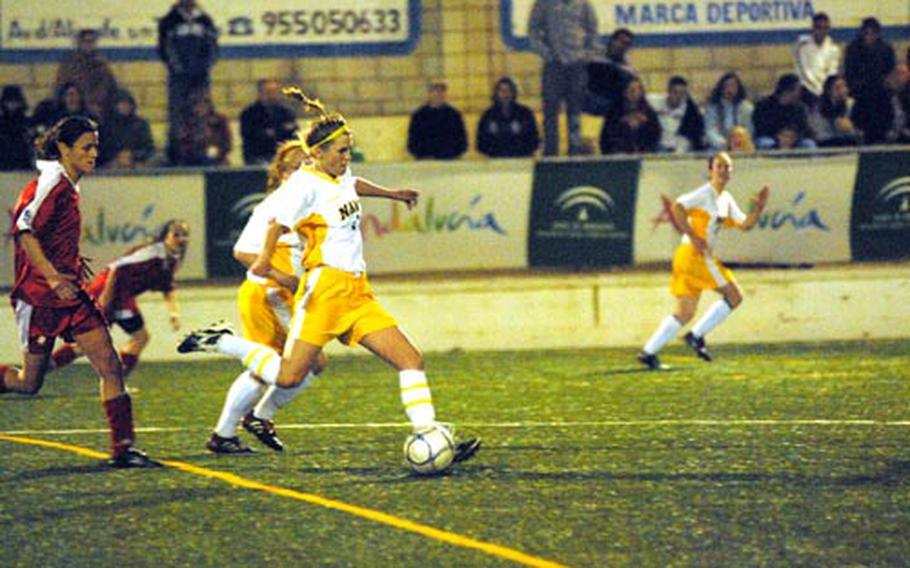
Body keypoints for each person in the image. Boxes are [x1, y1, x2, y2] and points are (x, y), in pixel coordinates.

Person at [179, 88, 481, 466]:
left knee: (410, 359)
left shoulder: (339, 173)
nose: (346, 157)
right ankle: (224, 341)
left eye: (348, 149)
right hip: (324, 291)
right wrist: (262, 264)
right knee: (289, 376)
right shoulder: (302, 185)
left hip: (357, 291)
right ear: (317, 153)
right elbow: (277, 222)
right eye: (340, 151)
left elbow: (352, 185)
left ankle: (429, 434)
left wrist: (393, 194)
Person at [0, 116, 158, 467]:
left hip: (72, 296)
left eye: (96, 146)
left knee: (110, 364)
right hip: (40, 297)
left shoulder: (69, 183)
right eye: (86, 147)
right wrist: (53, 276)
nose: (94, 153)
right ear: (63, 149)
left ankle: (123, 448)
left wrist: (66, 272)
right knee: (29, 383)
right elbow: (23, 231)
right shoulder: (50, 182)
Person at [206, 139, 323, 453]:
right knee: (304, 363)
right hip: (269, 295)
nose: (303, 169)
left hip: (283, 296)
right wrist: (281, 276)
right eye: (295, 165)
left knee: (296, 365)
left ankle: (231, 431)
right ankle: (222, 345)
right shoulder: (276, 204)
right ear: (282, 173)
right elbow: (242, 252)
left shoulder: (306, 203)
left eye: (307, 163)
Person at [638, 152, 770, 370]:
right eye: (719, 166)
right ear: (711, 170)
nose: (724, 170)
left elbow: (745, 224)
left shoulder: (725, 199)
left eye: (728, 167)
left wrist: (758, 208)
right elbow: (677, 207)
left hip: (688, 256)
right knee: (734, 296)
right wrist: (693, 235)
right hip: (694, 255)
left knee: (685, 312)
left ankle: (648, 352)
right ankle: (696, 336)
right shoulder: (705, 193)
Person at [47, 220, 190, 379]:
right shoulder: (151, 252)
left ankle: (42, 368)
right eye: (176, 234)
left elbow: (167, 287)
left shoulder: (170, 258)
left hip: (121, 297)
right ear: (164, 236)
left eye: (184, 235)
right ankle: (116, 381)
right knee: (137, 337)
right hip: (111, 293)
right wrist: (105, 299)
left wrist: (174, 313)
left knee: (89, 345)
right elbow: (116, 267)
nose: (181, 238)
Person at [528, 0, 600, 156]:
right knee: (550, 111)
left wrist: (586, 54)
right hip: (554, 65)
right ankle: (550, 152)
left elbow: (593, 31)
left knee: (575, 111)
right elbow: (533, 31)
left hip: (577, 66)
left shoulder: (584, 4)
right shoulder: (544, 4)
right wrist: (547, 54)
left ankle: (574, 151)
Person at [158, 0, 219, 164]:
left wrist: (203, 69)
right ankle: (176, 154)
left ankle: (204, 151)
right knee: (177, 114)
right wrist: (180, 70)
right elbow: (165, 49)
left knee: (202, 112)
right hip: (179, 78)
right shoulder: (169, 21)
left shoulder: (205, 20)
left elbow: (213, 48)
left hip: (201, 77)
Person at [54, 29, 119, 119]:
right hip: (74, 112)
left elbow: (111, 88)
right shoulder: (69, 65)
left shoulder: (102, 65)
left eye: (92, 41)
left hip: (100, 112)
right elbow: (61, 89)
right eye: (86, 41)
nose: (89, 45)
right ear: (79, 43)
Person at [476, 77, 540, 158]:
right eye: (501, 90)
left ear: (513, 93)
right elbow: (481, 142)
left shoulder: (525, 114)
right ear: (496, 93)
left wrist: (520, 151)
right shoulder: (488, 116)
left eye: (508, 90)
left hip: (521, 161)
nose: (505, 94)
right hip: (496, 162)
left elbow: (534, 140)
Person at [240, 79, 300, 165]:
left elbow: (294, 134)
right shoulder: (250, 114)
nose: (272, 96)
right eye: (268, 92)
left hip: (283, 156)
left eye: (274, 92)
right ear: (260, 93)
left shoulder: (286, 112)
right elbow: (250, 137)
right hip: (258, 156)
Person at [406, 80, 467, 160]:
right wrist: (424, 156)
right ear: (429, 94)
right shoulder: (419, 116)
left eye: (441, 91)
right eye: (435, 91)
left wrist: (452, 155)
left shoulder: (454, 115)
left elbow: (462, 140)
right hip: (425, 162)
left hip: (450, 160)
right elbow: (413, 141)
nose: (438, 94)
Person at [752, 74, 816, 150]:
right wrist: (779, 137)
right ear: (788, 90)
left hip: (794, 140)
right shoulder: (764, 105)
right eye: (798, 90)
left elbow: (804, 127)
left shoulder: (799, 108)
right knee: (765, 143)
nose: (800, 93)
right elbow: (761, 127)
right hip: (771, 138)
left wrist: (793, 136)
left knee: (809, 144)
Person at [599, 77, 661, 154]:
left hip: (644, 155)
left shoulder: (648, 112)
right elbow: (606, 138)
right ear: (624, 92)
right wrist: (623, 124)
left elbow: (655, 135)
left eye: (638, 89)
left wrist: (645, 123)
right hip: (620, 156)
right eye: (631, 90)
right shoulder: (614, 112)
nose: (634, 93)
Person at [852, 63, 910, 145]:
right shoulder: (874, 95)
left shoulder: (903, 96)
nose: (908, 77)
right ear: (893, 75)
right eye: (904, 73)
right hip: (878, 142)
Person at [98, 89, 156, 169]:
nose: (125, 107)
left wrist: (132, 155)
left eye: (128, 104)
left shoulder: (141, 125)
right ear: (115, 105)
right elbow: (102, 149)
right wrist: (117, 157)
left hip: (136, 165)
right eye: (122, 104)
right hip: (111, 166)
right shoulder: (106, 126)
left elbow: (149, 148)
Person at [585, 28, 636, 116]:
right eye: (620, 41)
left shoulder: (627, 68)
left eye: (627, 44)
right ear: (611, 41)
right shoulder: (593, 56)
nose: (622, 46)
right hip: (588, 101)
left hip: (611, 105)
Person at [172, 89, 231, 166]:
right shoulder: (185, 122)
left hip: (217, 160)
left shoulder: (219, 120)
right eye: (196, 103)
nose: (201, 106)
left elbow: (226, 142)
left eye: (205, 102)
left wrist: (218, 151)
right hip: (191, 161)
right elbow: (181, 142)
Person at [647, 76, 705, 153]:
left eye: (682, 93)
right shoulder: (655, 102)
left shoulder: (690, 112)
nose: (678, 96)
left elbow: (691, 136)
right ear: (668, 92)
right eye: (675, 92)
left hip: (678, 147)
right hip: (657, 146)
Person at [844, 17, 896, 103]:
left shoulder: (886, 50)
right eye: (866, 33)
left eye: (873, 33)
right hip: (860, 91)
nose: (869, 37)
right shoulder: (853, 49)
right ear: (862, 33)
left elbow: (890, 73)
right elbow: (849, 74)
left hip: (880, 91)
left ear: (878, 34)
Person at [793, 13, 841, 105]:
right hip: (807, 90)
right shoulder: (802, 46)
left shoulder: (833, 49)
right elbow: (805, 72)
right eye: (819, 27)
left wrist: (825, 91)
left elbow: (832, 72)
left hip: (826, 91)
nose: (822, 31)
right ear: (813, 28)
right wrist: (817, 91)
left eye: (825, 28)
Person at [704, 72, 754, 151]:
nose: (730, 89)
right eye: (727, 86)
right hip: (719, 145)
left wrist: (738, 142)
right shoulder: (712, 107)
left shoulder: (746, 107)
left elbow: (749, 129)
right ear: (721, 88)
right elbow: (710, 131)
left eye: (733, 86)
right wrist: (725, 144)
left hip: (741, 145)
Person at [808, 75, 862, 147]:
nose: (843, 91)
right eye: (838, 88)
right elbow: (818, 133)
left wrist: (850, 129)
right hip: (826, 143)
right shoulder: (819, 107)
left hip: (846, 142)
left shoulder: (851, 106)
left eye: (844, 86)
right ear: (829, 91)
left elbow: (858, 133)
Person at [31, 82, 97, 138]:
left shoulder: (89, 120)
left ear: (80, 97)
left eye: (75, 94)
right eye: (68, 95)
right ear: (63, 99)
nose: (72, 98)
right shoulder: (56, 120)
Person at [0, 85, 34, 171]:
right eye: (9, 102)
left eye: (15, 102)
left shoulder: (25, 122)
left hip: (23, 164)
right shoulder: (2, 122)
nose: (12, 105)